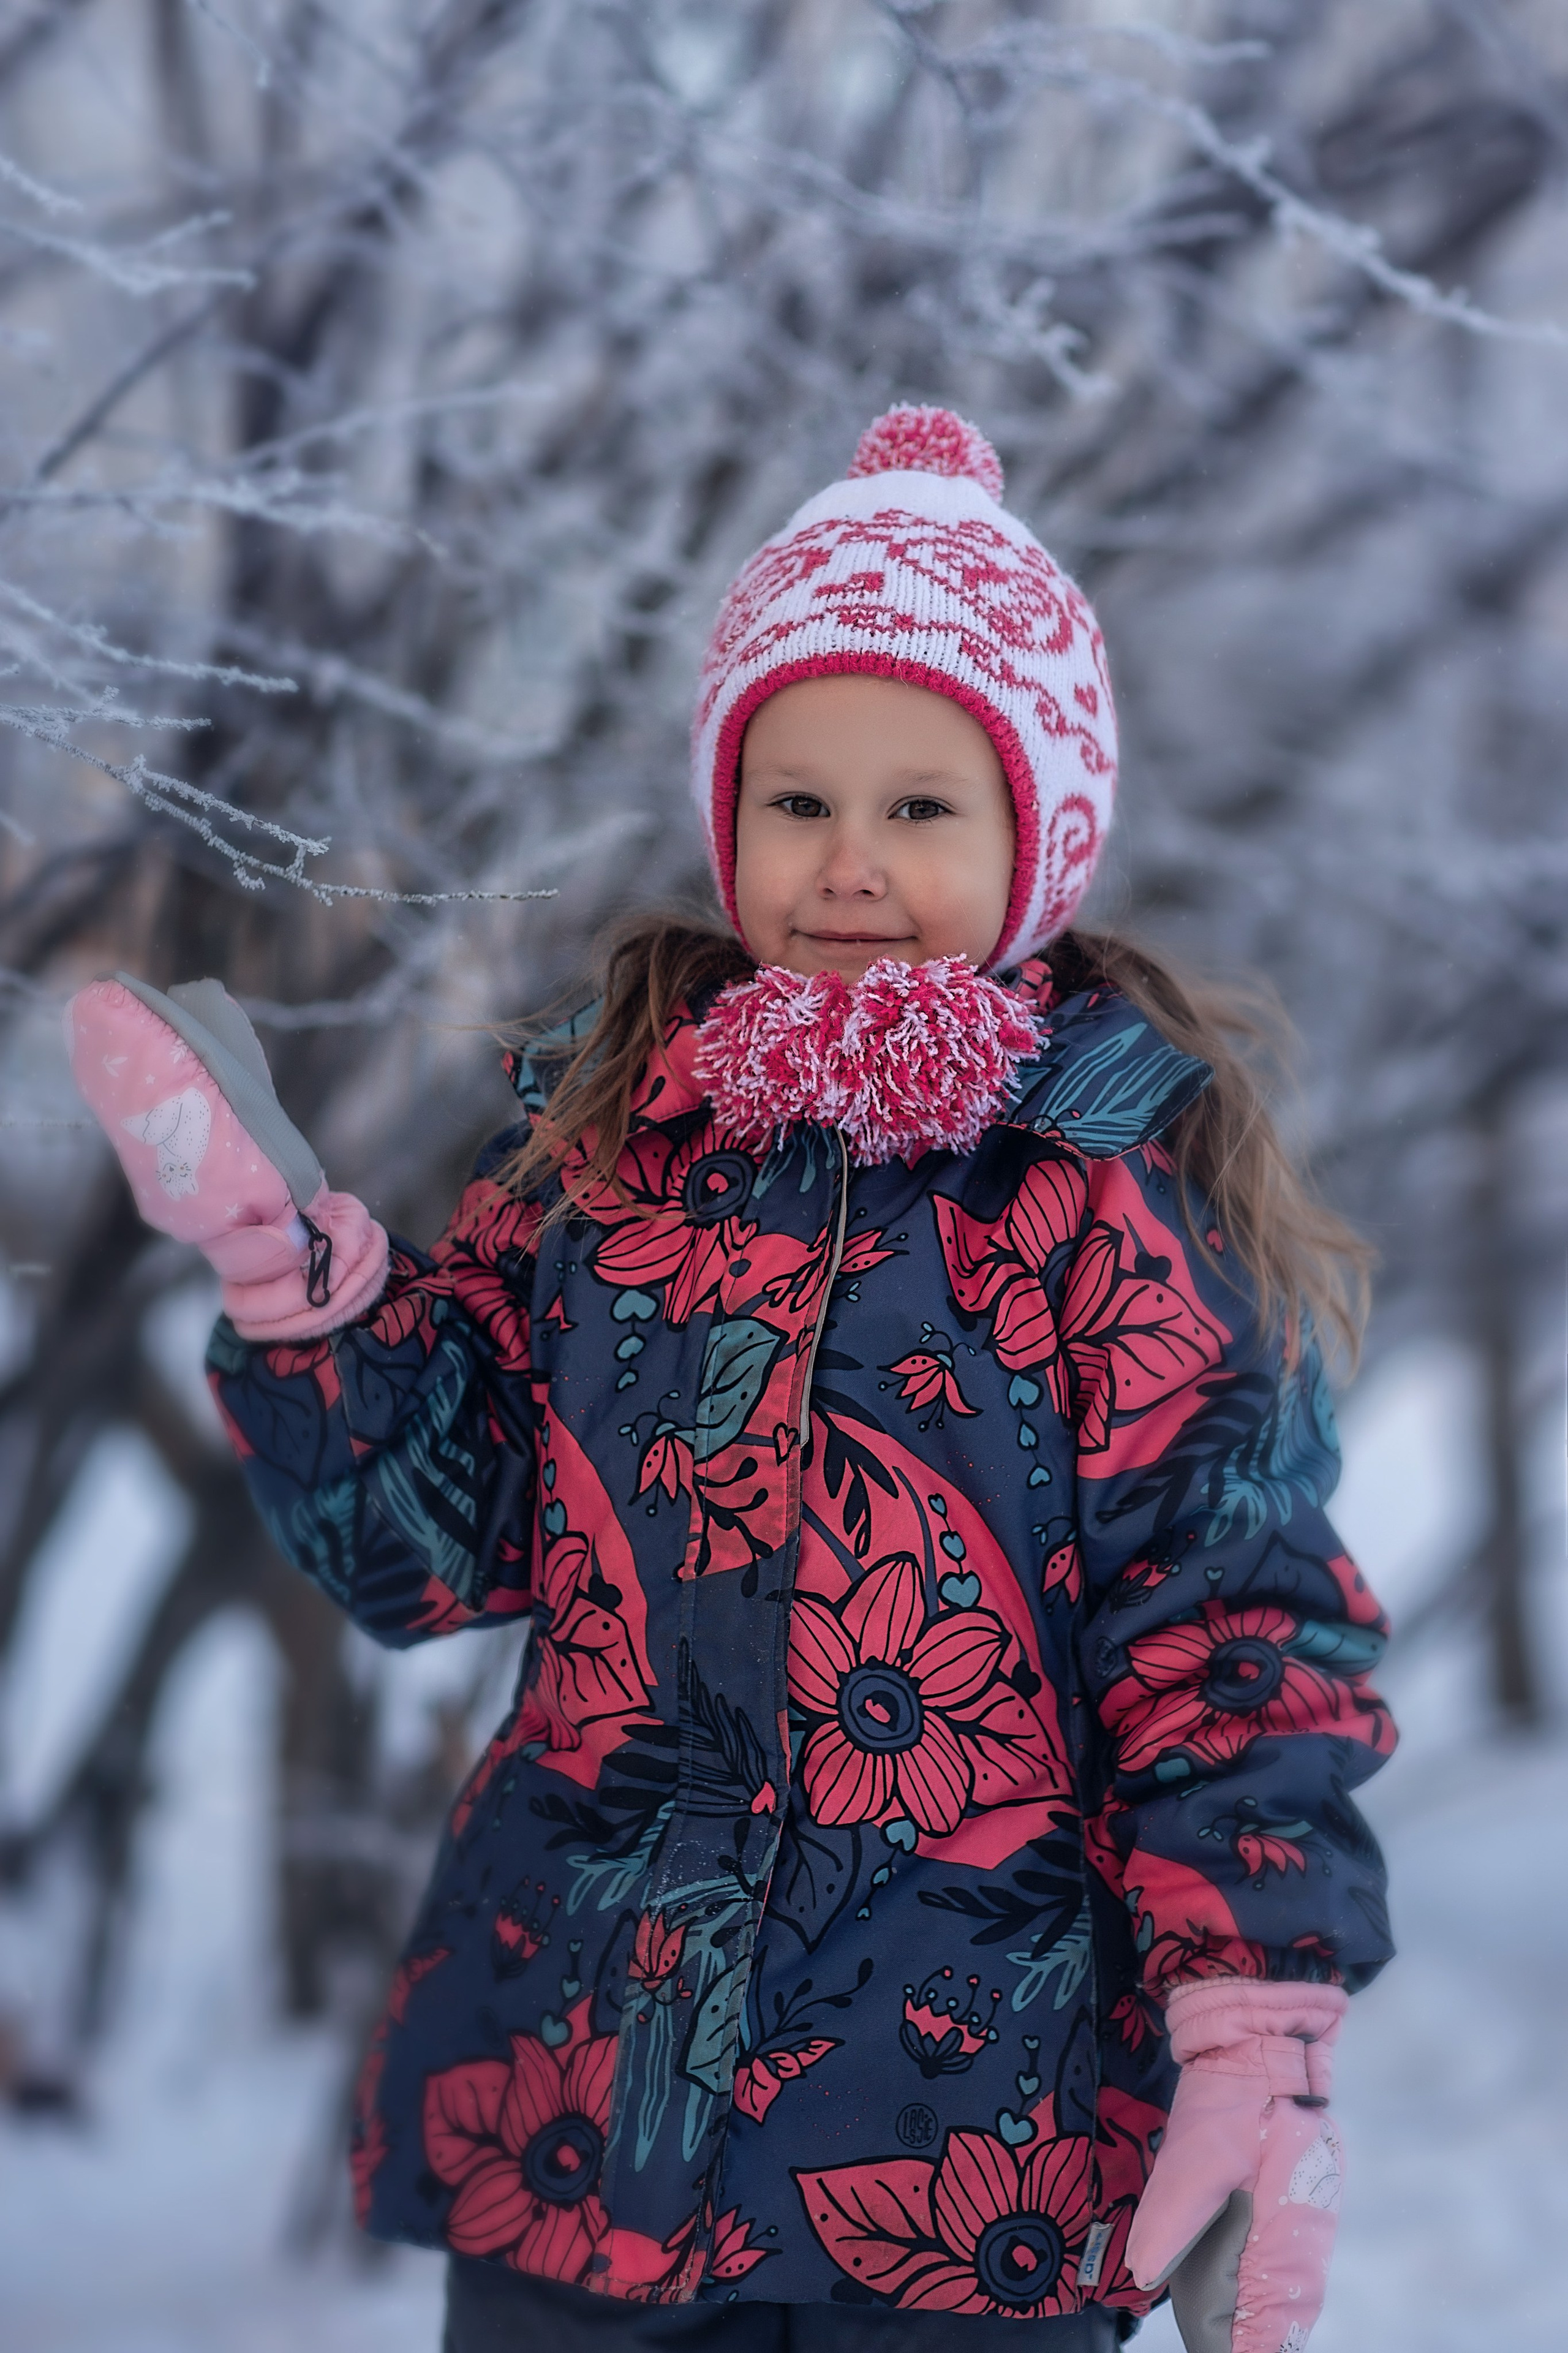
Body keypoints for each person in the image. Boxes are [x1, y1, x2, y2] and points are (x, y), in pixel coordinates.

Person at [68, 407, 1396, 2352]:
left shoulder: (1105, 1194)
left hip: (964, 2150)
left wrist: (1259, 2013)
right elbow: (439, 1548)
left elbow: (1233, 1627)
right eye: (797, 800)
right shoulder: (612, 1148)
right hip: (583, 2108)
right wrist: (305, 1297)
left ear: (1038, 832)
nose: (849, 863)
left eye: (920, 807)